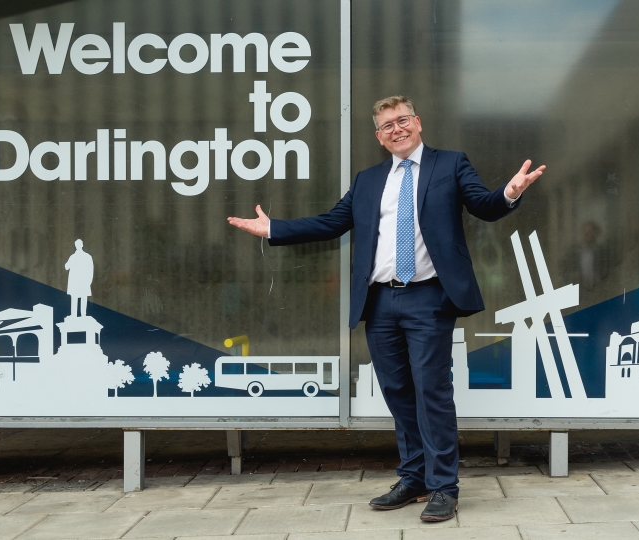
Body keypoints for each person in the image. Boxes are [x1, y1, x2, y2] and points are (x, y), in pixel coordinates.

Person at [228, 96, 543, 522]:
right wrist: (275, 229)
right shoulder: (368, 179)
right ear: (379, 137)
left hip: (429, 296)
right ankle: (413, 478)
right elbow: (332, 221)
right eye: (387, 125)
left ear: (418, 123)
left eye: (403, 120)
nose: (397, 129)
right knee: (397, 393)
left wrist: (509, 192)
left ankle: (443, 487)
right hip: (379, 300)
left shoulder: (450, 164)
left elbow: (483, 206)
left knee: (432, 391)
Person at [65, 239, 94, 317]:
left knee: (75, 298)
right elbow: (91, 270)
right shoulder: (87, 256)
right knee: (83, 298)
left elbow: (66, 266)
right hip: (83, 281)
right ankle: (83, 315)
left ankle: (74, 315)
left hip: (76, 281)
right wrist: (89, 281)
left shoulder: (73, 256)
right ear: (82, 245)